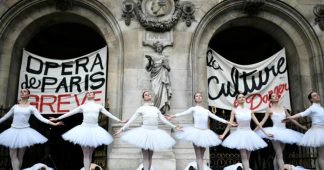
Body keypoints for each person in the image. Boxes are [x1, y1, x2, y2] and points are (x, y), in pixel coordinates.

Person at [50, 91, 126, 170]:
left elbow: (108, 114)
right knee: (86, 153)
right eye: (88, 93)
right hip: (84, 129)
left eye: (91, 93)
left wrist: (119, 120)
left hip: (95, 130)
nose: (89, 93)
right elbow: (70, 113)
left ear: (94, 95)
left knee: (90, 153)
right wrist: (57, 118)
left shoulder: (98, 106)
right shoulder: (83, 106)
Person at [165, 92, 236, 170]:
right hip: (196, 133)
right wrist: (172, 116)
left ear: (202, 98)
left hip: (205, 133)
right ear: (194, 99)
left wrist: (229, 122)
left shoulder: (206, 111)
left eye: (200, 96)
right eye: (197, 96)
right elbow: (183, 113)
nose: (198, 97)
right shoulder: (193, 109)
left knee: (201, 156)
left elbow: (216, 118)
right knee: (199, 156)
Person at [114, 90, 182, 170]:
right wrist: (122, 129)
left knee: (150, 156)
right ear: (143, 98)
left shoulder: (156, 109)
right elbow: (131, 120)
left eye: (149, 94)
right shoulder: (141, 109)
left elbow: (164, 120)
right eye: (146, 95)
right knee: (146, 157)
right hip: (145, 134)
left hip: (154, 133)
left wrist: (174, 127)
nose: (148, 95)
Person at [0, 88, 62, 170]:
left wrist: (54, 123)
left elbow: (41, 118)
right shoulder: (15, 107)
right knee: (13, 156)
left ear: (29, 95)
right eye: (21, 91)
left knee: (20, 156)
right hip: (13, 131)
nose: (22, 92)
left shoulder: (31, 108)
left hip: (24, 132)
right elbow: (4, 117)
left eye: (24, 91)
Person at [219, 92, 272, 170]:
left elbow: (258, 123)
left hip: (250, 134)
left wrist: (265, 133)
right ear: (236, 100)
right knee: (244, 157)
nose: (242, 98)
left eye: (243, 97)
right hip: (240, 134)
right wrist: (223, 135)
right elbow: (230, 124)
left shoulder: (249, 110)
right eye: (239, 97)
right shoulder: (234, 111)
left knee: (247, 157)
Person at [255, 93, 306, 170]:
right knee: (279, 154)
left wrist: (301, 126)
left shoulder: (284, 109)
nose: (275, 97)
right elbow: (262, 122)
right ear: (270, 100)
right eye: (273, 96)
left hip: (284, 132)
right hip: (275, 132)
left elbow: (291, 119)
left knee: (278, 155)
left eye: (276, 95)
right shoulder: (269, 110)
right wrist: (253, 131)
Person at [284, 91, 324, 170]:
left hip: (322, 130)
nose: (317, 96)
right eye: (315, 95)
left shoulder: (321, 108)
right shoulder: (312, 108)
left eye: (317, 95)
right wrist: (291, 117)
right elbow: (302, 114)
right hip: (318, 132)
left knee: (321, 155)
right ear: (311, 99)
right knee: (322, 155)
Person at [145, 41, 172, 114]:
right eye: (158, 47)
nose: (159, 48)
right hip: (155, 76)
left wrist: (164, 65)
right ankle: (155, 109)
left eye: (160, 47)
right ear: (156, 48)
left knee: (163, 92)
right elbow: (148, 68)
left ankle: (162, 110)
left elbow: (169, 68)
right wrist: (150, 60)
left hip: (162, 76)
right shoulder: (153, 57)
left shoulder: (164, 57)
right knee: (155, 93)